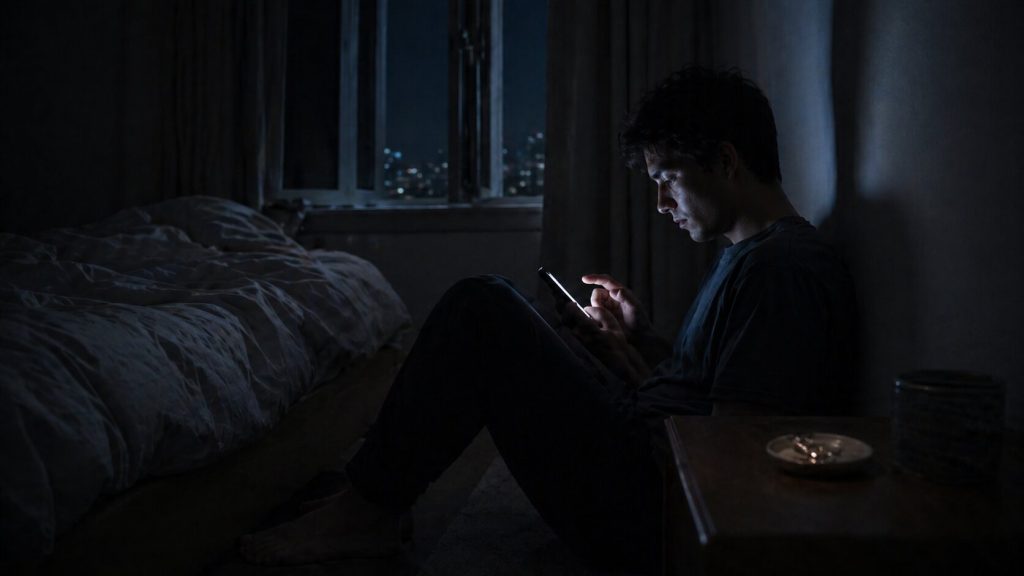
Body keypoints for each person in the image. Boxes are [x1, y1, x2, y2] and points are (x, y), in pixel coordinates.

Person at [238, 66, 857, 574]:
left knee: (483, 307)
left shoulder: (781, 269)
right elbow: (702, 395)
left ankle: (367, 509)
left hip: (647, 513)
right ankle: (371, 493)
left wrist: (617, 401)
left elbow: (731, 458)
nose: (662, 203)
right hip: (640, 463)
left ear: (725, 162)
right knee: (514, 323)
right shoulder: (750, 256)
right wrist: (631, 343)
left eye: (668, 178)